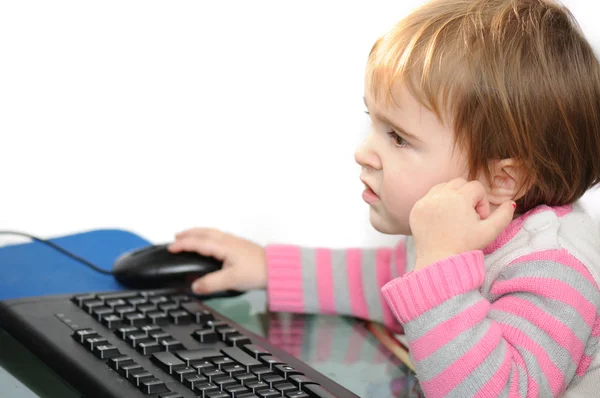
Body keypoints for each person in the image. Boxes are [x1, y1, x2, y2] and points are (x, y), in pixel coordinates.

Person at [170, 0, 600, 396]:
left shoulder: (556, 271)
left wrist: (439, 263)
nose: (363, 152)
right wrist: (267, 267)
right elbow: (380, 284)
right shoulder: (457, 229)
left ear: (502, 179)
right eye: (372, 122)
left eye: (397, 137)